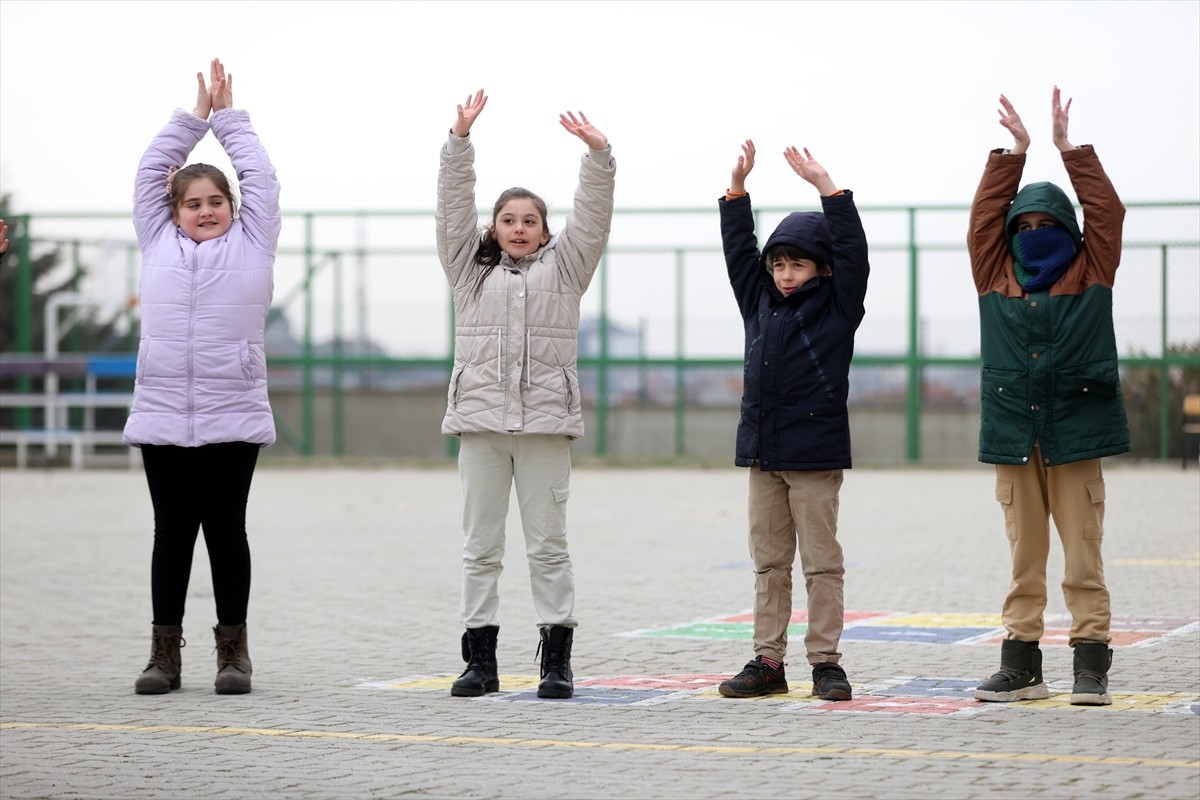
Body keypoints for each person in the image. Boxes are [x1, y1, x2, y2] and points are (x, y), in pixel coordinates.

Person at [436, 89, 616, 700]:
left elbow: (592, 220)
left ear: (545, 231)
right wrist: (459, 143)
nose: (518, 228)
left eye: (529, 221)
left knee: (548, 548)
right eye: (508, 219)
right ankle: (479, 662)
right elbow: (451, 210)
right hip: (481, 428)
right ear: (494, 227)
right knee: (479, 548)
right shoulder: (467, 268)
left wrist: (598, 157)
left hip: (545, 428)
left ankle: (556, 661)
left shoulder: (566, 270)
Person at [125, 59, 281, 696]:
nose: (206, 210)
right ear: (174, 210)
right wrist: (192, 118)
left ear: (233, 207)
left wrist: (229, 120)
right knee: (170, 535)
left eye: (216, 201)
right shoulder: (155, 239)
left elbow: (262, 177)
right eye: (193, 203)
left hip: (233, 412)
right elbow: (145, 173)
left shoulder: (254, 242)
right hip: (162, 410)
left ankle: (233, 654)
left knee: (225, 532)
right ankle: (164, 654)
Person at [968, 88, 1127, 706]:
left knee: (1082, 558)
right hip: (1014, 432)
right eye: (1024, 225)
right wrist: (1015, 152)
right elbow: (984, 216)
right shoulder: (993, 275)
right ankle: (1022, 666)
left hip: (1076, 432)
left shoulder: (1092, 272)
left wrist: (1067, 150)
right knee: (1024, 556)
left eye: (1047, 224)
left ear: (1068, 230)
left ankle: (1090, 664)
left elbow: (1105, 211)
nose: (1034, 232)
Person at [715, 140, 869, 701]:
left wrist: (829, 190)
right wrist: (737, 190)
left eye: (797, 263)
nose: (784, 273)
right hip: (763, 453)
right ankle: (767, 662)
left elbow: (854, 254)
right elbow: (739, 251)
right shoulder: (757, 300)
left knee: (821, 565)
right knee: (769, 564)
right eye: (778, 263)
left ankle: (826, 662)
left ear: (820, 267)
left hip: (815, 454)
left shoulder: (837, 305)